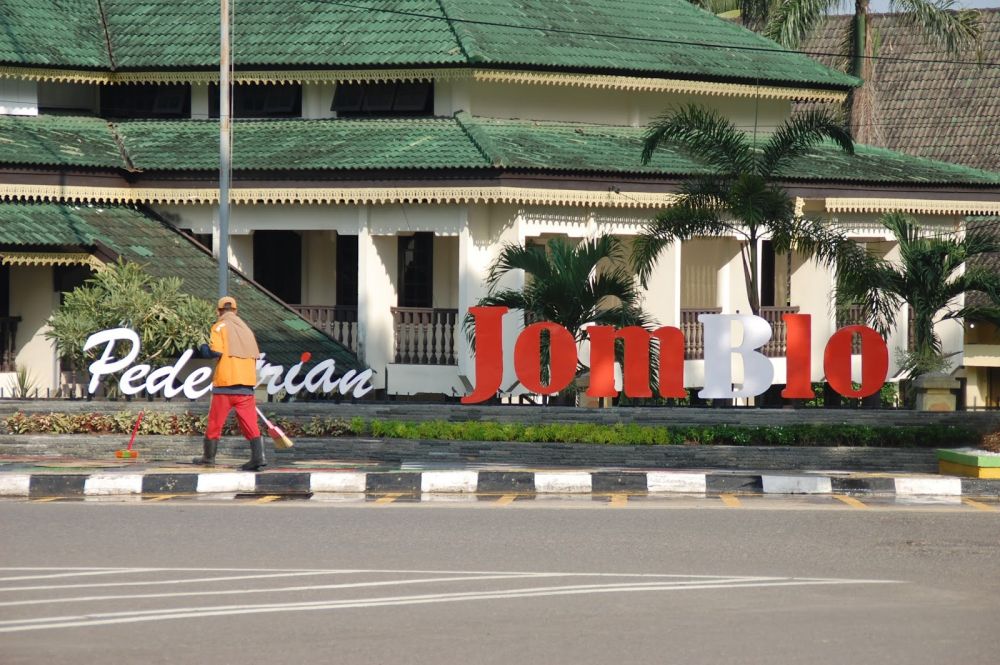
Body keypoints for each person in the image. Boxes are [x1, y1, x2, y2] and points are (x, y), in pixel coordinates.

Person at [192, 296, 267, 471]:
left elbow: (215, 352)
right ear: (236, 311)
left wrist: (202, 347)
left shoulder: (219, 326)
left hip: (225, 385)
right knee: (250, 423)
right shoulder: (247, 330)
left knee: (215, 423)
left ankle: (208, 458)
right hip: (246, 386)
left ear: (218, 311)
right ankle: (259, 457)